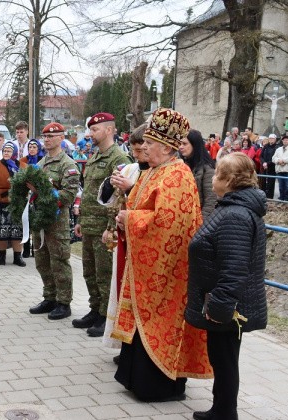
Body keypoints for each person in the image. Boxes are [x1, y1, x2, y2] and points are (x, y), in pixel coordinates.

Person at [112, 108, 212, 402]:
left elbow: (167, 224)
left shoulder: (177, 176)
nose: (143, 147)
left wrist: (129, 220)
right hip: (149, 263)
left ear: (167, 147)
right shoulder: (156, 171)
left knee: (162, 321)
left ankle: (159, 386)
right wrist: (125, 217)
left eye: (150, 144)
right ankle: (137, 380)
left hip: (169, 271)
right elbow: (140, 204)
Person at [185, 153, 267, 420]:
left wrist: (219, 307)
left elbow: (234, 268)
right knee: (222, 358)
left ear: (230, 180)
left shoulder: (236, 215)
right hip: (225, 303)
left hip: (228, 306)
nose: (213, 178)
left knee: (225, 359)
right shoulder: (230, 207)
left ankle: (225, 412)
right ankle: (220, 408)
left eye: (217, 173)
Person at [73, 113, 132, 337]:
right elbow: (89, 193)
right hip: (89, 224)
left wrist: (110, 228)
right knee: (89, 272)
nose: (90, 135)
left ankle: (107, 318)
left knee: (104, 274)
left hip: (104, 228)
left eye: (94, 130)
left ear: (109, 130)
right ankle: (95, 310)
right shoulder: (95, 156)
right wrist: (80, 220)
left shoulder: (119, 159)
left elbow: (119, 198)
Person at [98, 124, 148, 361]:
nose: (137, 156)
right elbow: (109, 202)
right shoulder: (130, 168)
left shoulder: (160, 173)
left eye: (140, 150)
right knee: (120, 292)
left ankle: (136, 348)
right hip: (123, 239)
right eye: (134, 150)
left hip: (144, 245)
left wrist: (130, 190)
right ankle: (123, 343)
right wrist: (110, 185)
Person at [26, 123, 80, 320]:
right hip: (40, 220)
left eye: (51, 136)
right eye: (44, 136)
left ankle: (64, 302)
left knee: (59, 261)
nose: (46, 139)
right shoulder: (40, 164)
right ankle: (49, 297)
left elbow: (68, 196)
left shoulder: (68, 164)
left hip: (57, 222)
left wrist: (41, 192)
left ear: (61, 138)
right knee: (42, 261)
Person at [0, 143, 27, 266]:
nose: (6, 153)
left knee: (18, 232)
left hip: (18, 204)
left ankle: (18, 257)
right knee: (0, 232)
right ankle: (2, 256)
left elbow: (29, 184)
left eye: (9, 151)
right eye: (4, 151)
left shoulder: (23, 167)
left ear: (15, 153)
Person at [179, 129, 218, 220]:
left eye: (185, 144)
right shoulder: (182, 165)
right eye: (180, 143)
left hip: (198, 222)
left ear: (194, 145)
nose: (181, 147)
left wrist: (200, 225)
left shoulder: (207, 169)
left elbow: (211, 201)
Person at [271, 134, 288, 201]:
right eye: (284, 140)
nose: (285, 141)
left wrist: (283, 160)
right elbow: (273, 158)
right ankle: (281, 197)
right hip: (280, 169)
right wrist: (279, 161)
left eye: (287, 140)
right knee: (281, 186)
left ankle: (287, 198)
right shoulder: (278, 149)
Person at [260, 134, 280, 198]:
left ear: (275, 139)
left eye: (272, 138)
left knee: (271, 183)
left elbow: (275, 157)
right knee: (263, 181)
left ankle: (270, 196)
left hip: (272, 166)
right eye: (270, 138)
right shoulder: (265, 146)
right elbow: (261, 156)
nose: (271, 140)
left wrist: (268, 164)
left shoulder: (277, 147)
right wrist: (263, 163)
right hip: (264, 166)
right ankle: (263, 195)